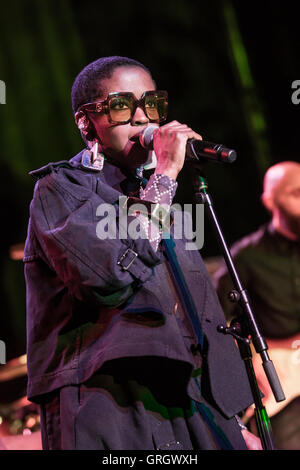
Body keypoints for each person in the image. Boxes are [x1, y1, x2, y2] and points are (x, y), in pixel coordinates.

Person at [23, 56, 261, 450]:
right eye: (121, 105)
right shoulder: (61, 190)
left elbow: (194, 314)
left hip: (186, 399)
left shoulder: (156, 194)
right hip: (110, 402)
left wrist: (230, 423)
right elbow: (107, 275)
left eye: (151, 104)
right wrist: (166, 175)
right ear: (87, 122)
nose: (141, 117)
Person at [213, 161, 300, 449]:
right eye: (297, 193)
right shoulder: (245, 259)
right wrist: (256, 365)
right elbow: (215, 327)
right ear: (270, 201)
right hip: (286, 390)